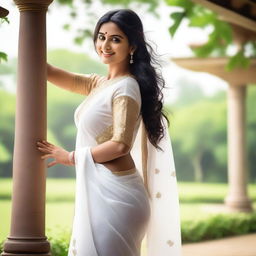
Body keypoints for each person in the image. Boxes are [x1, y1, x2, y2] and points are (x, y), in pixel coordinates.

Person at [37, 8, 181, 256]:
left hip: (118, 198)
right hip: (107, 194)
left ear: (132, 46)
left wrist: (70, 157)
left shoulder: (126, 88)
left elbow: (120, 145)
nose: (105, 45)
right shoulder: (100, 84)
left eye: (116, 39)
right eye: (102, 36)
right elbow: (48, 71)